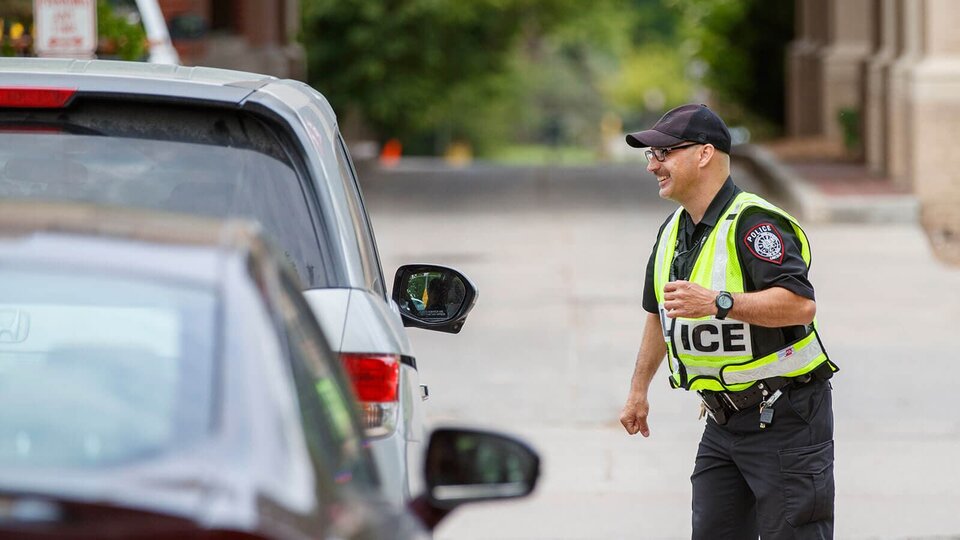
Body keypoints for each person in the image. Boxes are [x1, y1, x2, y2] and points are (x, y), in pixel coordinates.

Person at [619, 104, 839, 539]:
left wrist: (719, 302)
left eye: (663, 153)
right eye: (650, 155)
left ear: (704, 154)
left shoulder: (755, 224)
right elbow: (658, 314)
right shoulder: (673, 231)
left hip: (786, 418)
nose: (652, 165)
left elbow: (799, 305)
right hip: (722, 423)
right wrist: (638, 391)